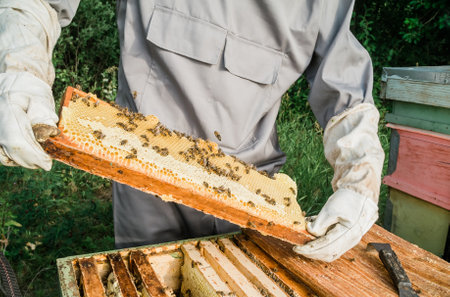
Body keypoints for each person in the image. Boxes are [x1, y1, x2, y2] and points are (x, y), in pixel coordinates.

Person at [0, 0, 384, 262]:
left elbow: (344, 84)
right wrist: (15, 69)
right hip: (139, 173)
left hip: (249, 190)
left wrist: (359, 177)